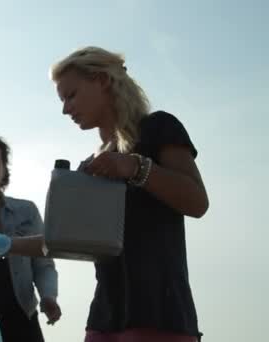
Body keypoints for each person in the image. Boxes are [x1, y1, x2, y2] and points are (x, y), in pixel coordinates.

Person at [49, 46, 209, 342]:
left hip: (160, 317)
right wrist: (1, 243)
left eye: (71, 95)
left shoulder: (158, 127)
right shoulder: (92, 162)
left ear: (101, 80)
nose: (65, 109)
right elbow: (66, 238)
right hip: (102, 320)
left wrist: (135, 167)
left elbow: (197, 202)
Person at [0, 132, 61, 342]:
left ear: (4, 169)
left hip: (22, 314)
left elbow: (43, 263)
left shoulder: (26, 211)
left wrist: (48, 297)